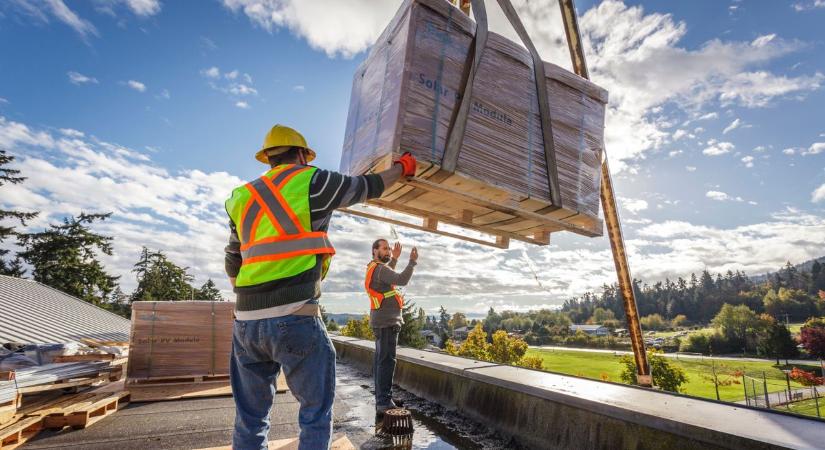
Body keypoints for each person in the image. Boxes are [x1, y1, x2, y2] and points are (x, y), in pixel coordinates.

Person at [224, 124, 417, 450]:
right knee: (315, 412)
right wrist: (403, 167)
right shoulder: (312, 180)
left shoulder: (242, 197)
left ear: (268, 158)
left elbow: (232, 263)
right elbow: (368, 186)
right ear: (301, 155)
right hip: (295, 316)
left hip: (245, 324)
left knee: (251, 418)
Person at [365, 239, 418, 414]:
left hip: (382, 321)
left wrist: (394, 259)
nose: (388, 251)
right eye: (385, 249)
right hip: (386, 322)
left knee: (382, 361)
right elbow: (401, 279)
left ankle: (383, 398)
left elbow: (389, 276)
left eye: (389, 249)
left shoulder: (376, 268)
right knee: (386, 362)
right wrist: (412, 262)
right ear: (375, 251)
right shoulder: (380, 269)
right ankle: (383, 402)